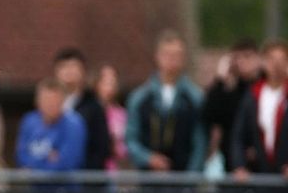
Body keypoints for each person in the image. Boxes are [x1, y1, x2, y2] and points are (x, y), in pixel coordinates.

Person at [125, 30, 206, 172]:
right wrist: (148, 158)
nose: (172, 60)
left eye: (177, 55)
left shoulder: (196, 98)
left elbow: (200, 142)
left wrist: (191, 177)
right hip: (148, 178)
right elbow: (131, 139)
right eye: (168, 54)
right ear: (157, 56)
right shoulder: (140, 98)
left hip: (184, 178)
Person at [230, 39, 288, 180]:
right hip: (259, 172)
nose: (276, 65)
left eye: (282, 60)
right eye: (272, 59)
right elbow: (239, 134)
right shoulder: (253, 94)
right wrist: (239, 165)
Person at [203, 39, 262, 170]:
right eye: (237, 58)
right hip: (233, 165)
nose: (242, 62)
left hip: (264, 164)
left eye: (247, 56)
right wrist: (220, 80)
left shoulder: (265, 90)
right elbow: (209, 116)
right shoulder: (230, 93)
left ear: (258, 59)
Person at [53, 48, 110, 169]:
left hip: (83, 175)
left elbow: (101, 146)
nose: (68, 72)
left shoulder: (93, 107)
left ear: (83, 72)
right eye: (64, 67)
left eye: (73, 67)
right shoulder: (47, 106)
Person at [15, 78, 87, 172]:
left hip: (62, 182)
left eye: (54, 101)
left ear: (63, 102)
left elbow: (67, 162)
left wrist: (34, 165)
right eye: (46, 100)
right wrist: (47, 158)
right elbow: (21, 156)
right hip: (32, 181)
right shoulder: (29, 121)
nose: (50, 105)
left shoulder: (74, 124)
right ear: (37, 101)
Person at [94, 64, 131, 171]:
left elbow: (126, 144)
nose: (109, 88)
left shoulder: (122, 114)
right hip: (94, 168)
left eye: (112, 83)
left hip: (115, 169)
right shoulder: (90, 112)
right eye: (105, 83)